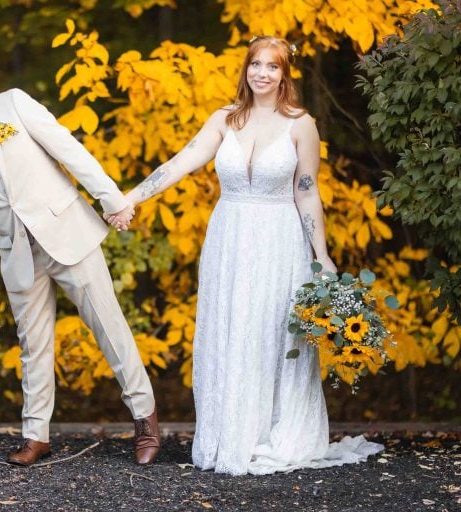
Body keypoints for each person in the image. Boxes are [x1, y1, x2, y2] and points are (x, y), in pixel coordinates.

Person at [107, 37, 382, 475]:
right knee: (231, 329)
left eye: (272, 67)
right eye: (255, 64)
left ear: (284, 74)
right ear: (246, 69)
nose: (262, 73)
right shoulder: (225, 120)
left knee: (272, 332)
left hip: (280, 239)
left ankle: (274, 432)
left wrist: (322, 257)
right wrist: (130, 198)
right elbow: (182, 162)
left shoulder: (301, 124)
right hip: (229, 238)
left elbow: (307, 192)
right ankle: (231, 435)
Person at [0, 59, 160, 466]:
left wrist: (110, 200)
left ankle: (146, 420)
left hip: (68, 232)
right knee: (32, 348)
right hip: (18, 258)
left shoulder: (11, 105)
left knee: (110, 328)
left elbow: (69, 149)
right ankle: (36, 435)